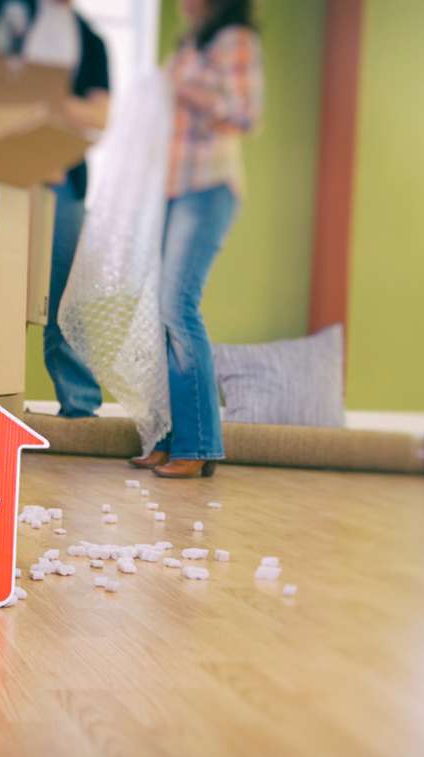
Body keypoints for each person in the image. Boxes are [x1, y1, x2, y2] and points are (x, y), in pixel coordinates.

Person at [0, 0, 111, 418]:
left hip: (60, 180)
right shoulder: (4, 9)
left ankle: (80, 408)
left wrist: (46, 101)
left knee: (63, 294)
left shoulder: (89, 40)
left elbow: (101, 113)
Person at [131, 0, 263, 479]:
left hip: (207, 188)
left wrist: (184, 88)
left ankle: (198, 444)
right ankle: (167, 439)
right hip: (170, 190)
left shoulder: (236, 42)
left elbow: (246, 115)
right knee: (159, 316)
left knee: (177, 306)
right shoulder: (192, 44)